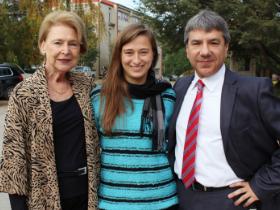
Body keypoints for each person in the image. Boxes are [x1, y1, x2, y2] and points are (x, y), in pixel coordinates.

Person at [168, 10, 280, 210]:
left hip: (232, 200)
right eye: (196, 43)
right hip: (182, 197)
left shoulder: (253, 90)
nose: (204, 51)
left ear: (226, 47)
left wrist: (260, 186)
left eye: (213, 42)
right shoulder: (180, 87)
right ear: (187, 49)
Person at [0, 10, 99, 210]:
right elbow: (14, 160)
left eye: (73, 43)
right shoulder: (24, 93)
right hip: (43, 199)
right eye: (58, 42)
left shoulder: (86, 86)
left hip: (88, 196)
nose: (66, 50)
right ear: (43, 45)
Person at [91, 23, 178, 209]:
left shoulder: (168, 96)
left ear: (153, 55)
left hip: (163, 201)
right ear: (119, 56)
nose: (136, 60)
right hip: (112, 203)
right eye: (129, 52)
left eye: (143, 52)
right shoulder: (100, 97)